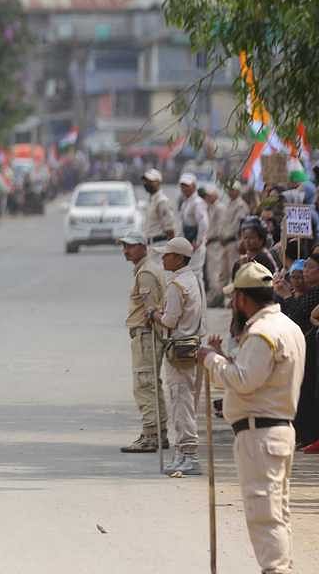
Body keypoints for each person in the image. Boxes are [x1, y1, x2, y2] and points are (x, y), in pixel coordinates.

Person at [199, 261, 306, 573]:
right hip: (278, 430)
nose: (233, 303)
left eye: (235, 297)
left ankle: (275, 570)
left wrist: (212, 361)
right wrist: (228, 359)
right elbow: (262, 375)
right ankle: (280, 567)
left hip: (261, 435)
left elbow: (245, 380)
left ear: (243, 299)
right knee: (277, 510)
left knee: (264, 512)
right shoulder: (288, 327)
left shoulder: (262, 333)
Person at [149, 236, 204, 475]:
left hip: (178, 348)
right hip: (190, 345)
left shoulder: (176, 285)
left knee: (181, 402)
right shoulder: (191, 279)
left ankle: (189, 455)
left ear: (179, 258)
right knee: (184, 401)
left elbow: (170, 320)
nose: (163, 258)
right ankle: (182, 453)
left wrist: (153, 314)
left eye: (167, 254)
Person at [118, 234, 167, 453]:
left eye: (129, 246)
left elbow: (151, 309)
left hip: (147, 334)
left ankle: (150, 435)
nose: (125, 251)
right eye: (124, 246)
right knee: (151, 383)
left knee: (144, 383)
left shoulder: (146, 272)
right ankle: (160, 432)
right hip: (148, 334)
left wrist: (151, 332)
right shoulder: (145, 268)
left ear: (142, 247)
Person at [274, 253, 319, 454]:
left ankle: (309, 434)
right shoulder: (308, 293)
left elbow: (298, 316)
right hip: (303, 348)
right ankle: (302, 434)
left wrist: (286, 297)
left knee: (309, 393)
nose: (306, 272)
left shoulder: (315, 294)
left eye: (310, 268)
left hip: (311, 349)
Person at [178, 173, 209, 300]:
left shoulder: (197, 203)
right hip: (187, 243)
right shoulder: (186, 203)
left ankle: (200, 304)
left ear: (194, 186)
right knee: (188, 275)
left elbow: (203, 223)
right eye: (182, 186)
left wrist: (198, 241)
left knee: (196, 275)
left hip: (195, 244)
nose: (184, 189)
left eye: (187, 186)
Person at [221, 181, 251, 297]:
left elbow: (238, 225)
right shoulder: (229, 204)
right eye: (229, 190)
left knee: (234, 270)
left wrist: (229, 236)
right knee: (224, 271)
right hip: (225, 242)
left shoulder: (241, 205)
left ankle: (233, 297)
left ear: (238, 191)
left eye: (232, 190)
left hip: (234, 241)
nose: (230, 192)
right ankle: (225, 296)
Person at [202, 184, 225, 306]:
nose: (206, 198)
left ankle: (217, 297)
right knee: (211, 272)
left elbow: (219, 228)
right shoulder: (209, 208)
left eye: (208, 195)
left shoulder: (219, 208)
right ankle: (215, 297)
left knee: (215, 272)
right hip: (209, 243)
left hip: (215, 243)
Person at [142, 168, 178, 246]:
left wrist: (172, 250)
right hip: (150, 244)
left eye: (150, 181)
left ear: (158, 182)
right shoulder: (151, 200)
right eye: (145, 181)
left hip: (159, 244)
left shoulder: (162, 201)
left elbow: (170, 228)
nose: (147, 183)